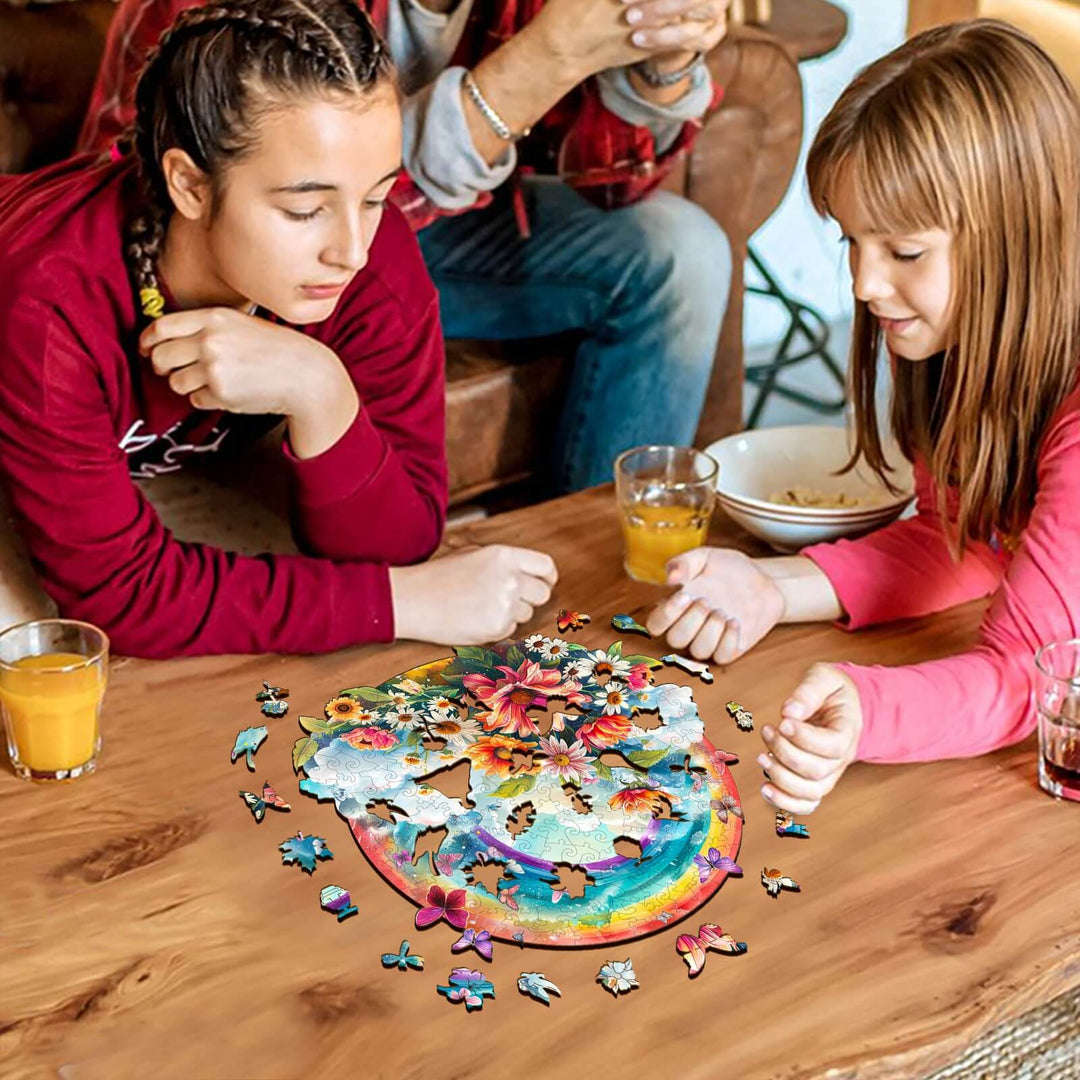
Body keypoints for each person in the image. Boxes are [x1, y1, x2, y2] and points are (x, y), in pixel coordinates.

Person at [0, 0, 556, 657]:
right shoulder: (49, 301)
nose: (351, 249)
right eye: (305, 210)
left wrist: (321, 391)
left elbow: (402, 537)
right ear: (189, 185)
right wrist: (403, 602)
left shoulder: (370, 255)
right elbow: (123, 599)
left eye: (375, 196)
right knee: (32, 649)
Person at [647, 19, 1080, 813]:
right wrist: (772, 588)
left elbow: (1034, 673)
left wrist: (869, 709)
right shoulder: (963, 347)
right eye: (852, 241)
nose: (862, 284)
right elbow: (965, 538)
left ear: (1023, 237)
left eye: (904, 252)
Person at [77, 0, 734, 493]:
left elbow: (617, 187)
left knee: (680, 252)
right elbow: (159, 205)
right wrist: (544, 60)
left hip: (433, 224)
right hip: (234, 248)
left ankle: (601, 576)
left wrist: (661, 63)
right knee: (338, 224)